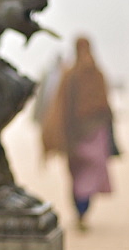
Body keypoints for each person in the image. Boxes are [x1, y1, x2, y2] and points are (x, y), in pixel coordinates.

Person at [42, 36, 114, 228]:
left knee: (78, 176)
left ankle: (81, 212)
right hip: (86, 134)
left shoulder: (73, 75)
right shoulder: (91, 74)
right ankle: (82, 211)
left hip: (77, 135)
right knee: (85, 175)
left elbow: (60, 108)